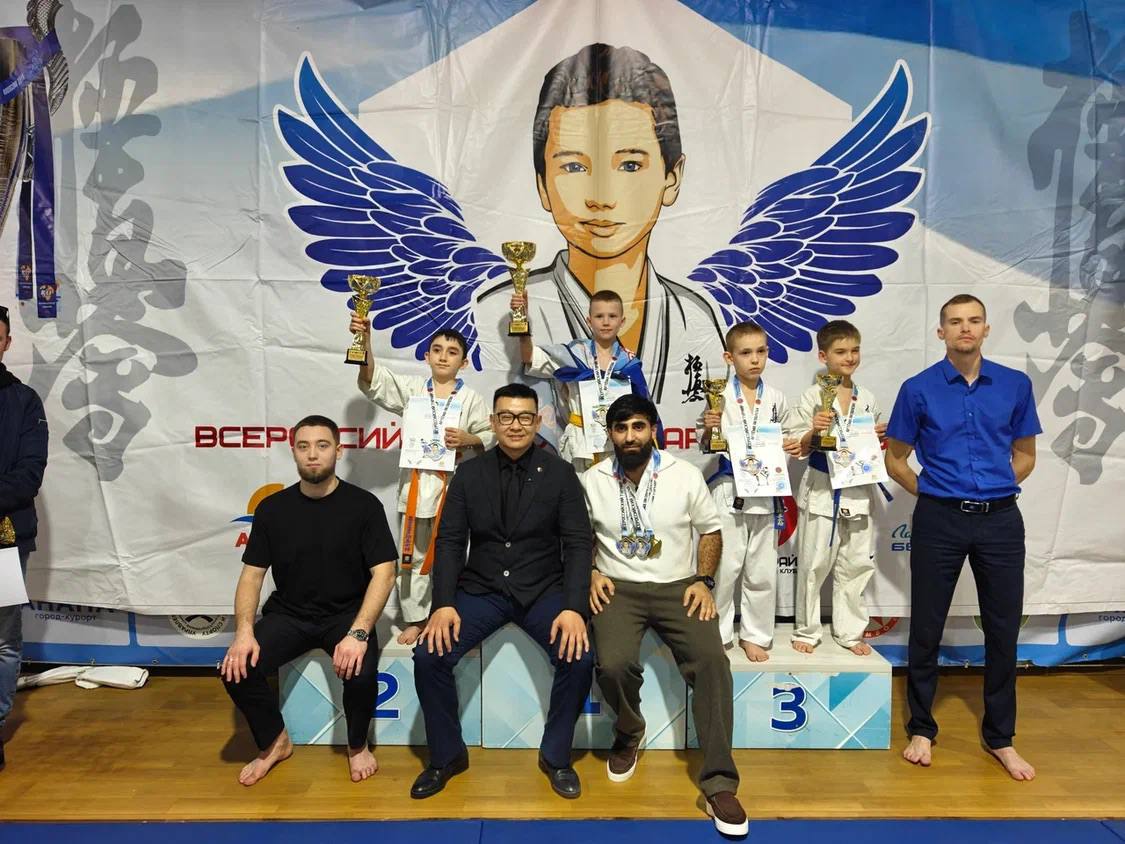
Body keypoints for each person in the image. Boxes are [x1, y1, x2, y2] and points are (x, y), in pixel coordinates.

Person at [475, 43, 725, 406]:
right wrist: (522, 323)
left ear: (672, 177)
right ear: (542, 185)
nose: (601, 197)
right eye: (574, 167)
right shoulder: (494, 309)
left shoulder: (694, 316)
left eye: (629, 165)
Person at [412, 383, 593, 800]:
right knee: (428, 656)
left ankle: (556, 756)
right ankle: (446, 756)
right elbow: (450, 542)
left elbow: (578, 543)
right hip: (482, 590)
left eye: (525, 417)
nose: (516, 425)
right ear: (493, 422)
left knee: (580, 658)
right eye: (507, 417)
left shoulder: (561, 474)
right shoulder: (468, 474)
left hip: (544, 591)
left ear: (538, 421)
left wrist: (573, 608)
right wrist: (443, 604)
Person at [885, 294, 1040, 781]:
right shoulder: (917, 389)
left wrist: (990, 489)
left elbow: (1026, 455)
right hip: (940, 520)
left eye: (974, 321)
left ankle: (1001, 738)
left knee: (1003, 629)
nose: (965, 328)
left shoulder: (1015, 385)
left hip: (1001, 521)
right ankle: (921, 730)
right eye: (955, 322)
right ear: (941, 332)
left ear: (986, 329)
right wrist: (935, 492)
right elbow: (895, 459)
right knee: (927, 626)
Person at [583, 394, 747, 836]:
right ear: (610, 434)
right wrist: (591, 572)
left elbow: (710, 531)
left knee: (712, 663)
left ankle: (719, 782)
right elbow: (579, 538)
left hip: (679, 587)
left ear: (653, 430)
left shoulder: (684, 474)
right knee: (612, 664)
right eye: (621, 428)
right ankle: (629, 732)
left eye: (638, 426)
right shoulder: (594, 478)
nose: (629, 436)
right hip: (619, 587)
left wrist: (703, 580)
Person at [220, 415, 397, 786]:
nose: (313, 454)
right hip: (290, 614)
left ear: (338, 450)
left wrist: (359, 633)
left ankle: (357, 745)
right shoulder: (272, 509)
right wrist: (243, 632)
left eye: (322, 445)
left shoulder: (364, 506)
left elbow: (384, 573)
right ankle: (275, 741)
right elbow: (252, 575)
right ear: (294, 452)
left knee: (361, 675)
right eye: (304, 446)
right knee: (236, 669)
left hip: (346, 615)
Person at [351, 318, 494, 645]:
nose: (444, 356)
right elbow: (373, 379)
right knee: (412, 557)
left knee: (453, 553)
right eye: (437, 350)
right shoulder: (414, 390)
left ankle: (447, 612)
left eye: (452, 352)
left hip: (453, 489)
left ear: (464, 362)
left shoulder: (471, 398)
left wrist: (470, 438)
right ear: (426, 356)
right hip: (414, 487)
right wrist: (365, 341)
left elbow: (491, 435)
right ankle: (416, 619)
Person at [701, 322, 799, 661]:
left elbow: (789, 436)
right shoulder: (719, 396)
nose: (755, 359)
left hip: (767, 490)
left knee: (762, 570)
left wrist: (791, 446)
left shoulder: (776, 398)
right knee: (725, 568)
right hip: (730, 490)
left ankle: (755, 635)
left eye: (761, 351)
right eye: (746, 353)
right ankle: (717, 632)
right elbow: (707, 443)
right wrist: (710, 429)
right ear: (729, 358)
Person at [791, 320, 887, 655]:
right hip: (822, 487)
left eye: (854, 350)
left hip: (858, 488)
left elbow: (867, 448)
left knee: (856, 562)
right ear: (823, 356)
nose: (849, 357)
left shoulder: (867, 398)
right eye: (841, 351)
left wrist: (877, 438)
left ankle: (849, 631)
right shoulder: (812, 397)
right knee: (814, 563)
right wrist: (813, 431)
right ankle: (806, 631)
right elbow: (797, 447)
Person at [512, 288, 652, 470]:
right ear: (589, 321)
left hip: (619, 442)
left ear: (622, 321)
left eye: (612, 316)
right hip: (579, 443)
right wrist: (522, 320)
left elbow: (644, 408)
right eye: (599, 316)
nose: (606, 322)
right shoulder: (572, 354)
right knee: (577, 488)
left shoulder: (629, 363)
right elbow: (529, 357)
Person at [0, 305, 48, 772]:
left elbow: (29, 475)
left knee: (2, 639)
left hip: (5, 536)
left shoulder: (24, 402)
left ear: (6, 343)